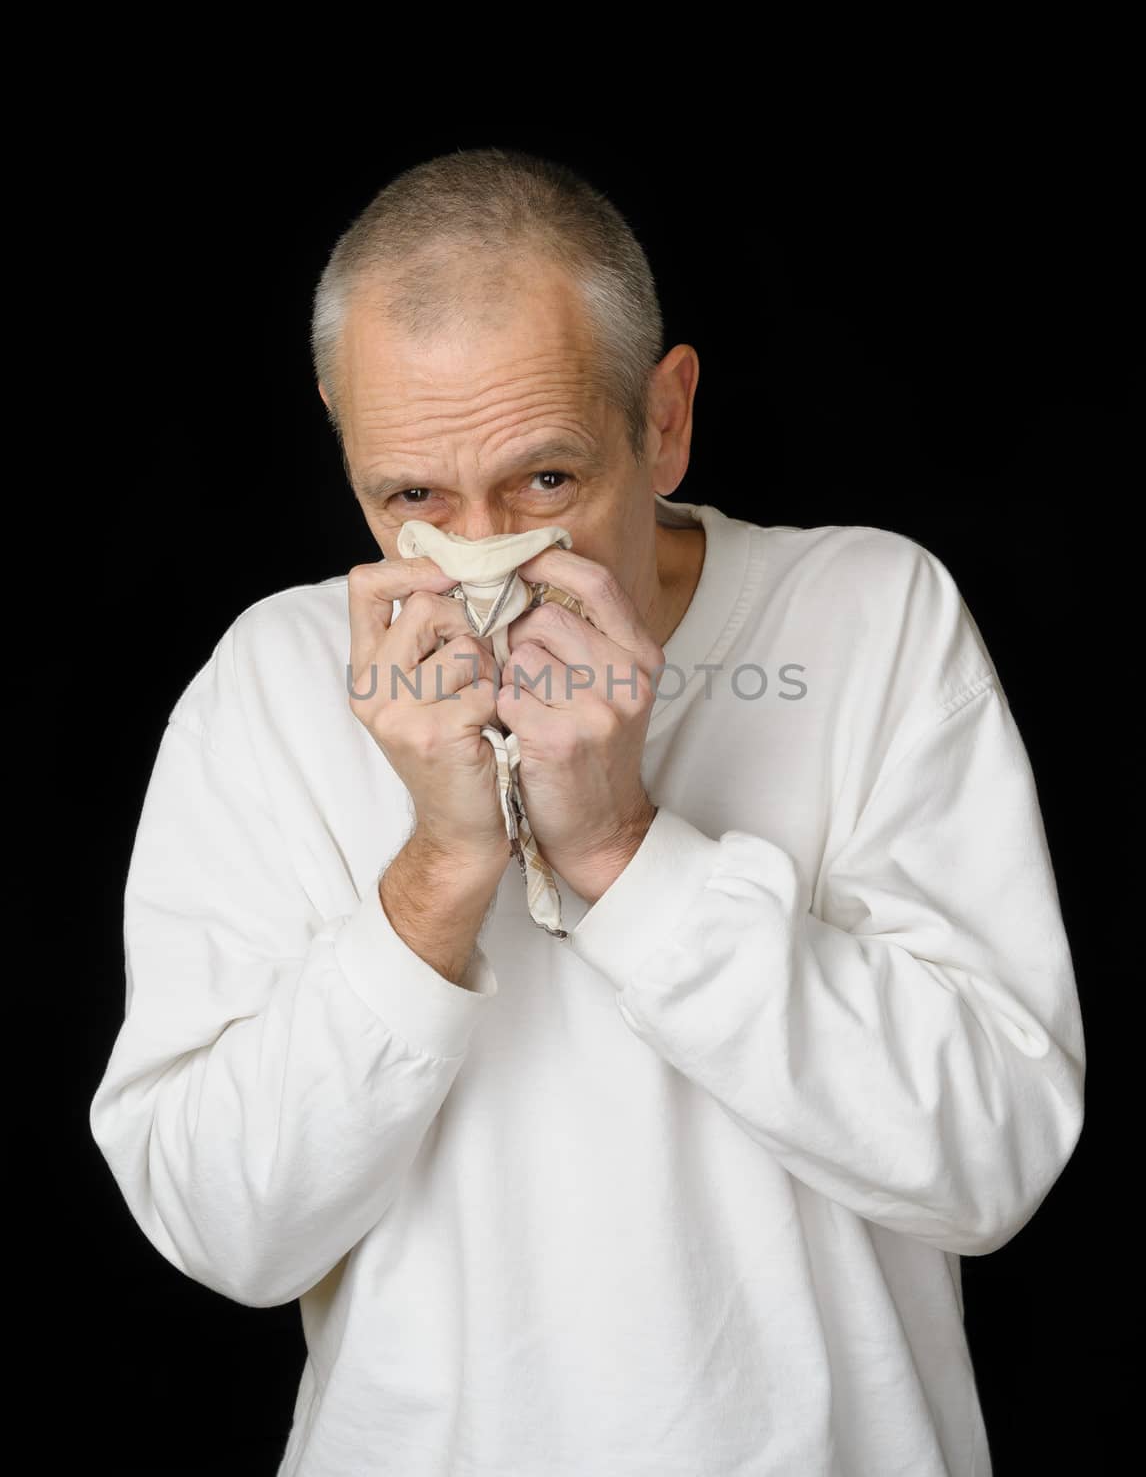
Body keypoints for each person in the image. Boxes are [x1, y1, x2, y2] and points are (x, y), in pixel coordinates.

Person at [89, 146, 1086, 1477]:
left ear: (662, 420)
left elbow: (989, 1160)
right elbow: (225, 1232)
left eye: (546, 483)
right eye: (413, 499)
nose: (479, 552)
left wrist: (622, 849)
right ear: (341, 431)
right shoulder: (271, 682)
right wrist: (441, 869)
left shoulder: (867, 617)